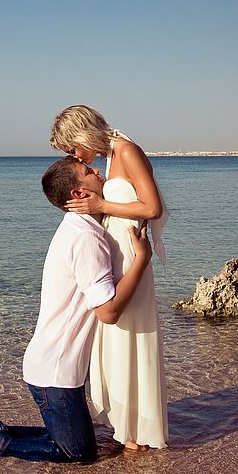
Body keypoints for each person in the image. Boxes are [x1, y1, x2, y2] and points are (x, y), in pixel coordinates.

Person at [0, 155, 153, 462]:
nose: (98, 171)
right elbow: (107, 311)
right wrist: (141, 261)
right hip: (56, 370)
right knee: (78, 452)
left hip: (50, 365)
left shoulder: (78, 228)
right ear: (79, 194)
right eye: (88, 171)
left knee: (72, 438)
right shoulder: (85, 239)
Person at [50, 104, 169, 451]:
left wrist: (100, 207)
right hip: (116, 249)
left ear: (83, 133)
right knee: (116, 338)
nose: (75, 156)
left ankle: (138, 429)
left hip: (130, 250)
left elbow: (152, 208)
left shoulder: (127, 150)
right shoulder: (110, 155)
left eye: (73, 147)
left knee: (131, 334)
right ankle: (128, 425)